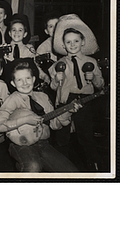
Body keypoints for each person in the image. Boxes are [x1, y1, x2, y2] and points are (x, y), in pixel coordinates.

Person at [0, 59, 79, 172]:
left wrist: (68, 111)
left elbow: (54, 124)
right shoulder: (12, 100)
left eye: (28, 78)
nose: (25, 83)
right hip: (20, 145)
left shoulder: (42, 97)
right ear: (13, 83)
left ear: (33, 79)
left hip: (43, 143)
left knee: (71, 172)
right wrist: (25, 120)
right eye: (19, 80)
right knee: (33, 166)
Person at [48, 14, 105, 171]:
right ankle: (60, 169)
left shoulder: (91, 62)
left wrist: (93, 77)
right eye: (68, 42)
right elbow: (53, 87)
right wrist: (56, 79)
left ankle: (95, 168)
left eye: (76, 41)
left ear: (83, 42)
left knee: (86, 136)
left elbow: (101, 86)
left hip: (85, 100)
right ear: (64, 45)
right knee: (62, 137)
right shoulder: (58, 64)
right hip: (65, 100)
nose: (72, 45)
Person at [4, 13, 51, 85]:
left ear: (25, 34)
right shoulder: (5, 49)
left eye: (20, 30)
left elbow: (35, 66)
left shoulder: (29, 49)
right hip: (9, 81)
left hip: (25, 82)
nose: (17, 32)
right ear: (10, 33)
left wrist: (44, 76)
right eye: (14, 30)